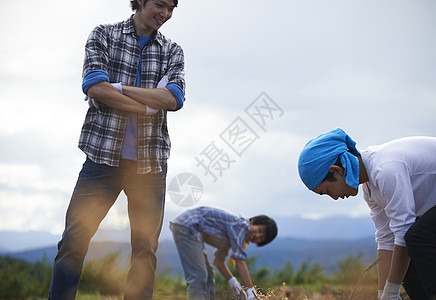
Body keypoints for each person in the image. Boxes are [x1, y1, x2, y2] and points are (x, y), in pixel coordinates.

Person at [48, 0, 185, 299]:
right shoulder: (103, 35)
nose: (165, 14)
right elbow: (95, 86)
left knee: (145, 250)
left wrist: (119, 89)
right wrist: (150, 105)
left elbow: (174, 99)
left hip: (150, 166)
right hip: (101, 159)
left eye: (172, 8)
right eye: (159, 5)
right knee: (74, 242)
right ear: (140, 1)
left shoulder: (173, 51)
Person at [297, 128, 436, 300]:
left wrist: (392, 291)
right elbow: (387, 240)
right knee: (404, 255)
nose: (333, 198)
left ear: (336, 171)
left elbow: (403, 231)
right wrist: (382, 295)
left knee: (417, 237)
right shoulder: (370, 189)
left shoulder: (385, 170)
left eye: (326, 191)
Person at [170, 206, 278, 300]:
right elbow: (239, 262)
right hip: (187, 225)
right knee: (199, 275)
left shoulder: (233, 237)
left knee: (208, 275)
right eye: (259, 230)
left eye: (262, 238)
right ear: (253, 221)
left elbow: (218, 261)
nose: (257, 235)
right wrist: (251, 292)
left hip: (192, 230)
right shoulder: (242, 226)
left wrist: (234, 283)